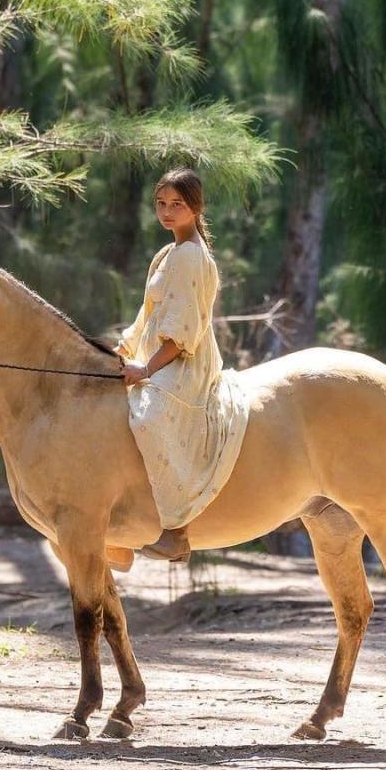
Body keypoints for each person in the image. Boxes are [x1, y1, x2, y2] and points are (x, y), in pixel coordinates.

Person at [117, 169, 250, 562]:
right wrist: (124, 349)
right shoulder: (167, 253)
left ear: (195, 207)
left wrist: (145, 370)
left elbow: (181, 332)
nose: (167, 211)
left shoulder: (191, 256)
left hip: (184, 360)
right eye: (161, 203)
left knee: (151, 415)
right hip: (154, 353)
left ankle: (175, 530)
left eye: (177, 204)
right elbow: (148, 313)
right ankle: (120, 533)